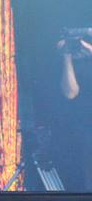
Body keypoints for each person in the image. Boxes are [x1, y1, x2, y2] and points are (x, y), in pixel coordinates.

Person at [59, 35, 92, 189]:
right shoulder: (67, 58)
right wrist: (66, 56)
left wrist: (89, 49)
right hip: (83, 126)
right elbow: (70, 92)